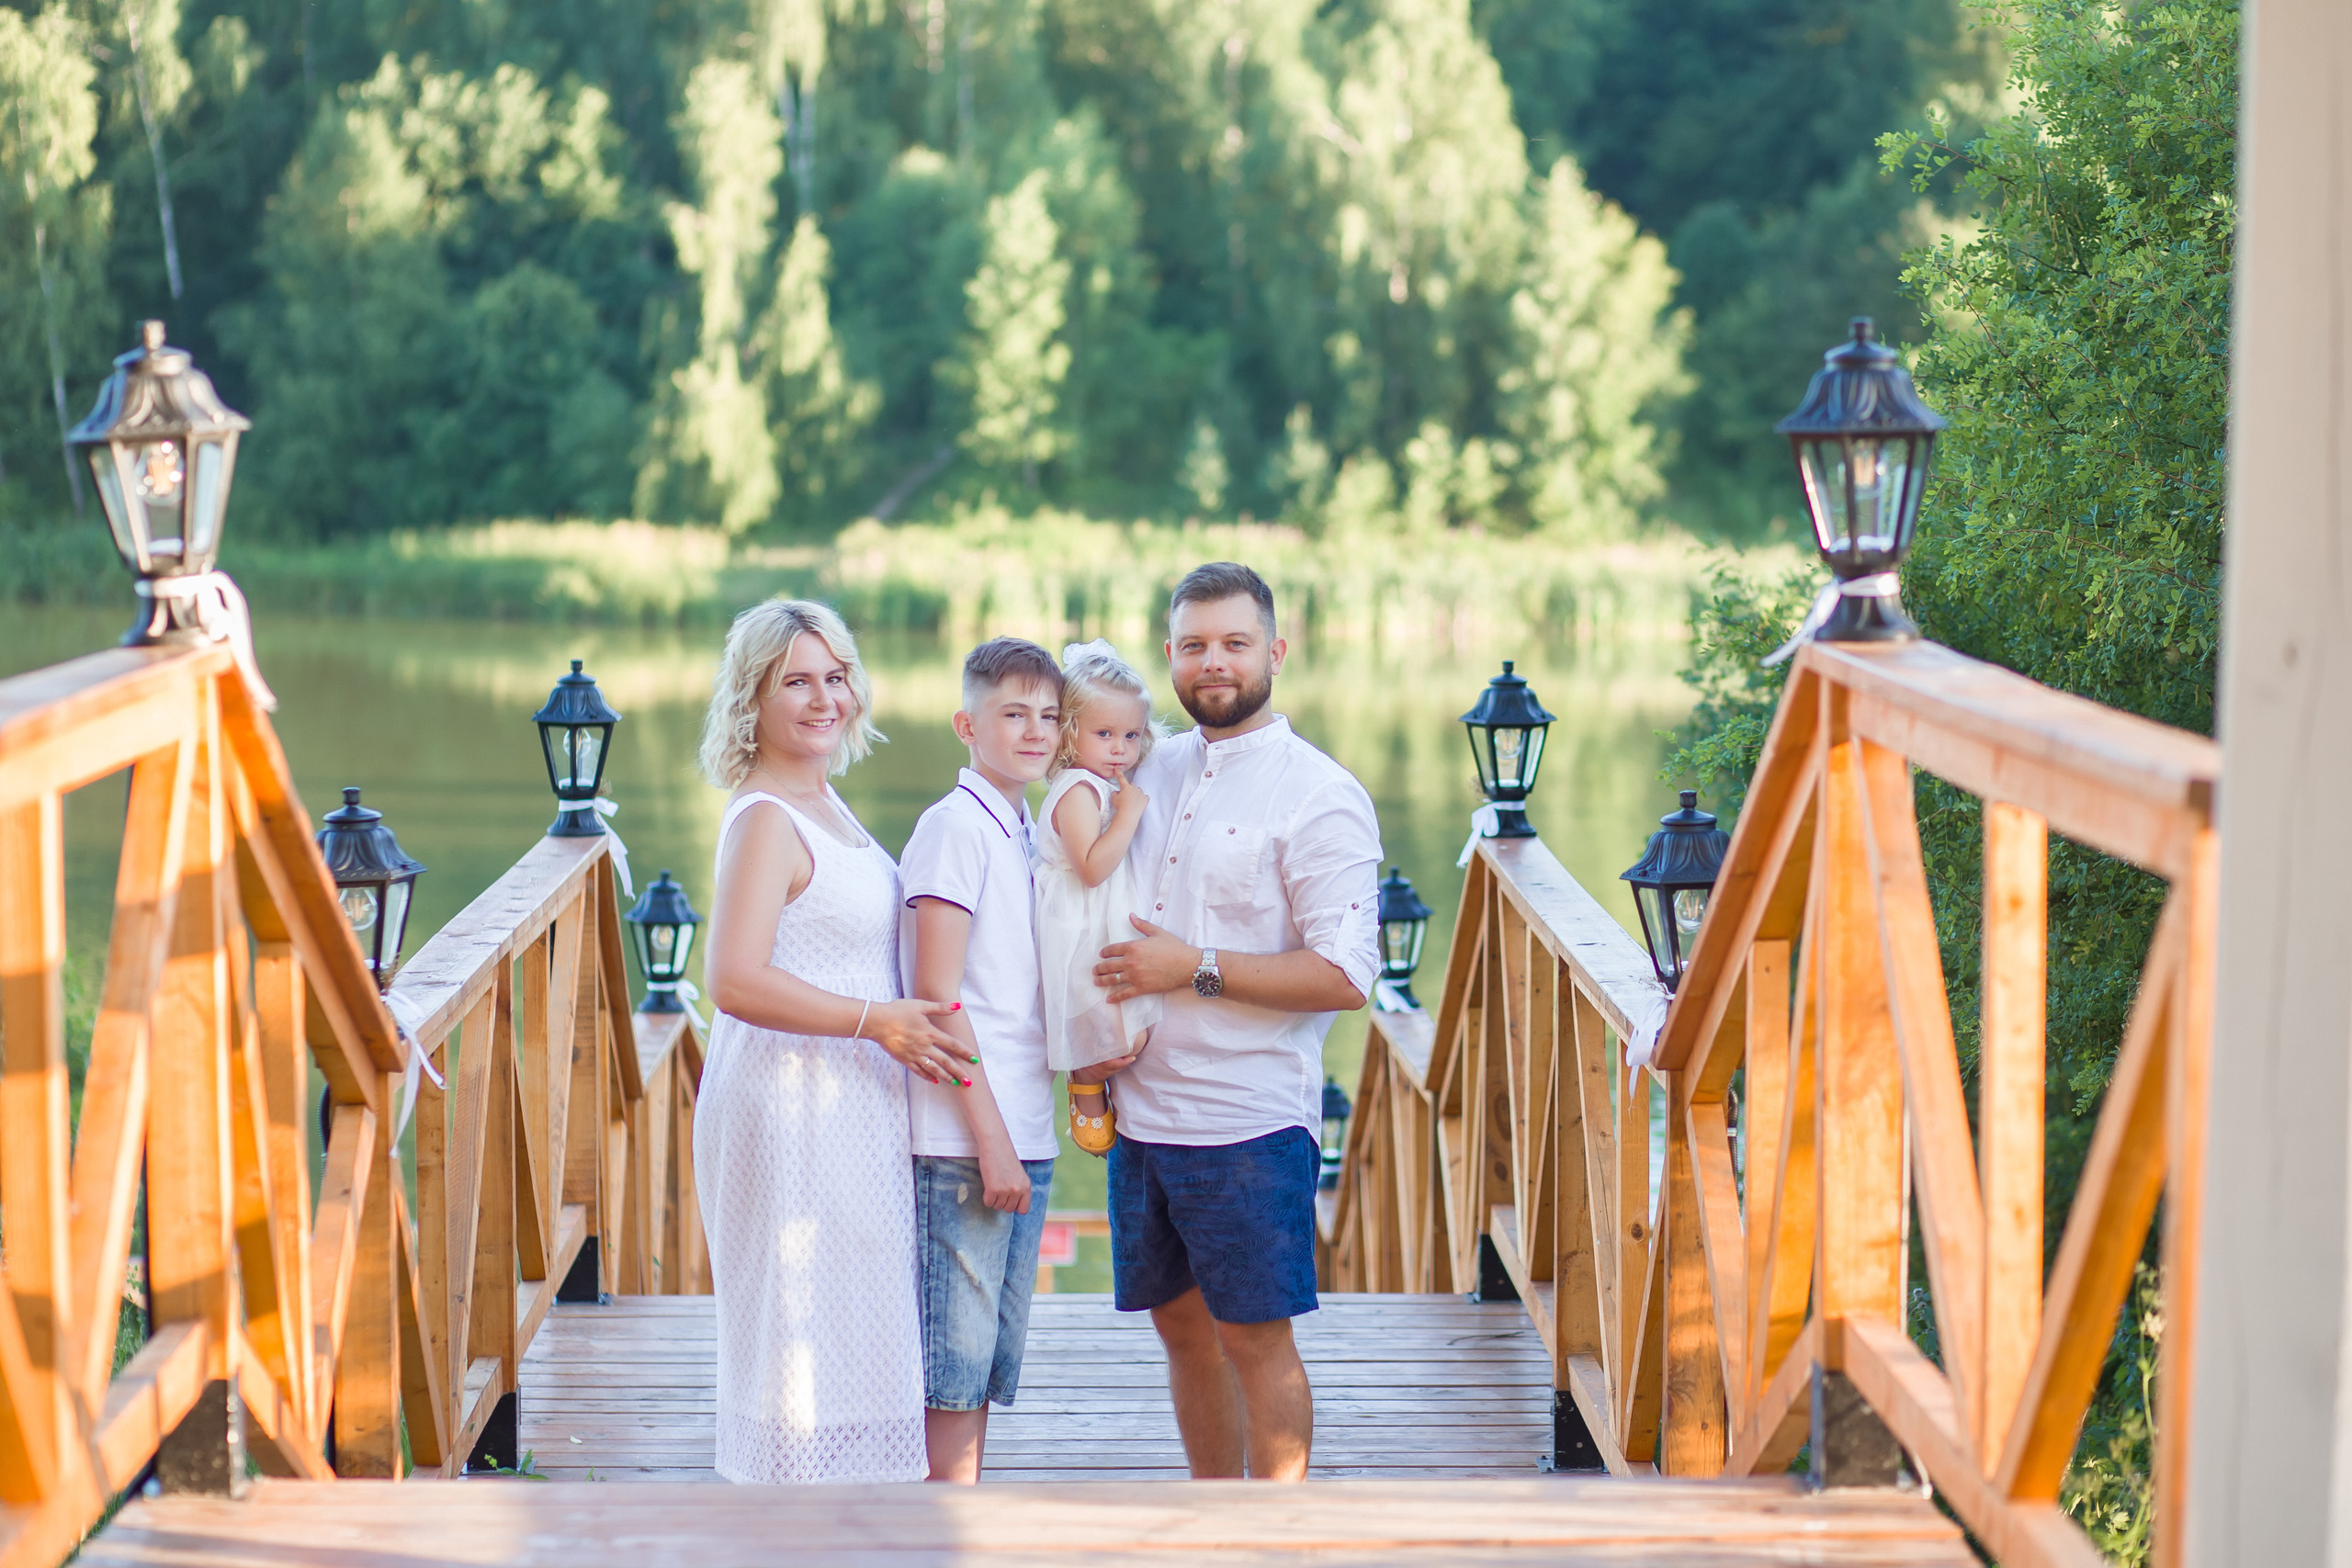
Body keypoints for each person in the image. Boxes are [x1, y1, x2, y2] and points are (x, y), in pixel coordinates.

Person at [1092, 562, 1383, 1481]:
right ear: (1170, 655)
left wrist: (1196, 967)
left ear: (1275, 652)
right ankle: (1212, 1514)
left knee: (1254, 1339)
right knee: (1180, 1329)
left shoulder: (1318, 794)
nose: (1212, 663)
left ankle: (1281, 1536)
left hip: (1247, 1120)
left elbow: (1345, 975)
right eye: (1192, 646)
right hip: (1139, 1112)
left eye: (1233, 643)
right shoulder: (1147, 762)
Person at [693, 597, 968, 1485]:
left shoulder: (823, 798)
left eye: (836, 677)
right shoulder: (766, 815)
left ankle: (849, 1521)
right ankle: (785, 1527)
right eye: (796, 682)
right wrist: (875, 1019)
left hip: (852, 1099)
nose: (823, 699)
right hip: (788, 1100)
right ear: (754, 700)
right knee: (798, 1344)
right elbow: (730, 980)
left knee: (848, 1329)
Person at [897, 637, 1066, 1483]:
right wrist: (992, 1140)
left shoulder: (1027, 828)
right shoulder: (953, 828)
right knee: (953, 1379)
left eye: (1048, 715)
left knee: (984, 1376)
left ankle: (965, 1524)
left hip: (1023, 1129)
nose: (1035, 730)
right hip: (964, 1141)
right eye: (1013, 713)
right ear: (967, 723)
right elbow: (939, 999)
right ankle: (945, 1534)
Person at [1035, 639, 1164, 1156]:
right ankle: (1084, 1079)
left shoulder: (1101, 782)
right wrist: (1129, 815)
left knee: (1131, 1032)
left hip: (1103, 917)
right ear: (1069, 734)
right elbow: (1090, 868)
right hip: (1078, 923)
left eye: (1131, 735)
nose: (1119, 748)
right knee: (1117, 1037)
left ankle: (1094, 1076)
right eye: (1104, 734)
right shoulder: (1076, 790)